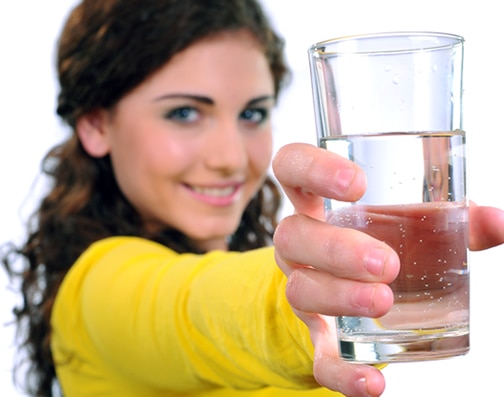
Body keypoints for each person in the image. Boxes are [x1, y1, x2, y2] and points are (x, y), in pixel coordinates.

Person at [2, 1, 504, 397]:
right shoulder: (97, 293)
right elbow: (198, 311)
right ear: (95, 124)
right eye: (183, 113)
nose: (229, 157)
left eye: (252, 114)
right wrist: (307, 294)